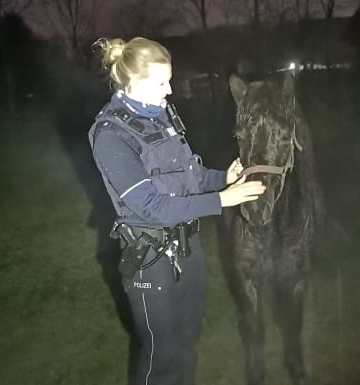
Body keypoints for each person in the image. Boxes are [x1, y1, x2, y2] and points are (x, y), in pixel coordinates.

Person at [89, 37, 265, 385]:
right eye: (160, 83)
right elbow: (152, 207)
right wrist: (224, 200)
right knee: (162, 355)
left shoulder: (162, 115)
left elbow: (190, 176)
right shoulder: (110, 135)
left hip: (189, 251)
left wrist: (221, 179)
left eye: (168, 80)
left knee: (187, 342)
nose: (169, 91)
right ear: (130, 82)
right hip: (150, 259)